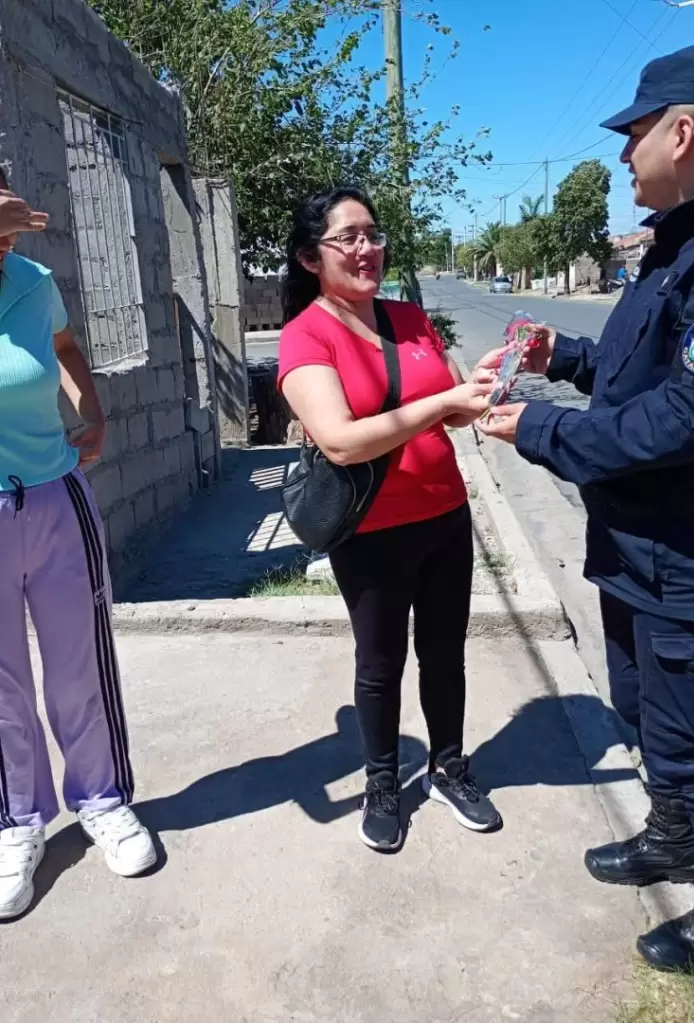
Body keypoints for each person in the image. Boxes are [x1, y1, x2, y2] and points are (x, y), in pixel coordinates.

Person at [477, 41, 694, 972]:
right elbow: (634, 369)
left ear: (683, 133)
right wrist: (557, 354)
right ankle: (672, 837)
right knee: (646, 709)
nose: (621, 154)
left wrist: (537, 431)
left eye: (633, 133)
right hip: (635, 537)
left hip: (690, 548)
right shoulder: (684, 236)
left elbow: (687, 416)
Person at [278, 186, 503, 852]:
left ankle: (449, 766)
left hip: (445, 511)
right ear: (309, 257)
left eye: (372, 234)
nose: (366, 248)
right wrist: (443, 406)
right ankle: (382, 783)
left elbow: (451, 410)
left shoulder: (408, 316)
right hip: (372, 528)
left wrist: (481, 385)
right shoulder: (304, 335)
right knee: (380, 662)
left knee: (445, 652)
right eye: (347, 237)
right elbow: (341, 440)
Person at [0, 170, 157, 920]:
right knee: (1, 683)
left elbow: (63, 344)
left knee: (80, 664)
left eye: (6, 224)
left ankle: (102, 798)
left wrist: (91, 409)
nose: (5, 241)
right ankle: (17, 824)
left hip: (57, 498)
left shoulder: (33, 279)